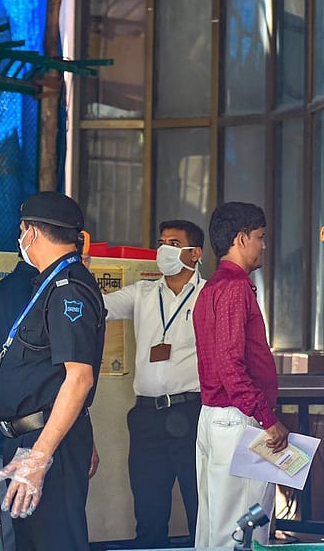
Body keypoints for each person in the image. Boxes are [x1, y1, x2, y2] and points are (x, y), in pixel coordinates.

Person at [0, 192, 106, 550]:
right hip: (24, 443)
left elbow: (79, 377)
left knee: (55, 541)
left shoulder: (67, 288)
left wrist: (40, 456)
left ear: (32, 233)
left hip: (46, 443)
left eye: (22, 229)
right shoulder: (43, 285)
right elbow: (35, 373)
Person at [102, 220, 206, 547]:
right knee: (148, 510)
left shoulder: (209, 295)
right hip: (147, 417)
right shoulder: (144, 292)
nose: (164, 250)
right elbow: (99, 308)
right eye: (161, 242)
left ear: (195, 253)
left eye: (174, 243)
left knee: (199, 506)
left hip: (191, 414)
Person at [192, 202, 289, 547]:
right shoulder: (234, 288)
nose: (264, 245)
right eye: (260, 237)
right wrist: (266, 418)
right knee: (242, 529)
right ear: (240, 238)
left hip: (215, 418)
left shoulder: (211, 288)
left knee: (214, 526)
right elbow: (231, 364)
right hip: (238, 420)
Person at [0, 252, 38, 551]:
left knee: (8, 529)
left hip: (5, 431)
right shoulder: (51, 291)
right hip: (47, 438)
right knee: (46, 530)